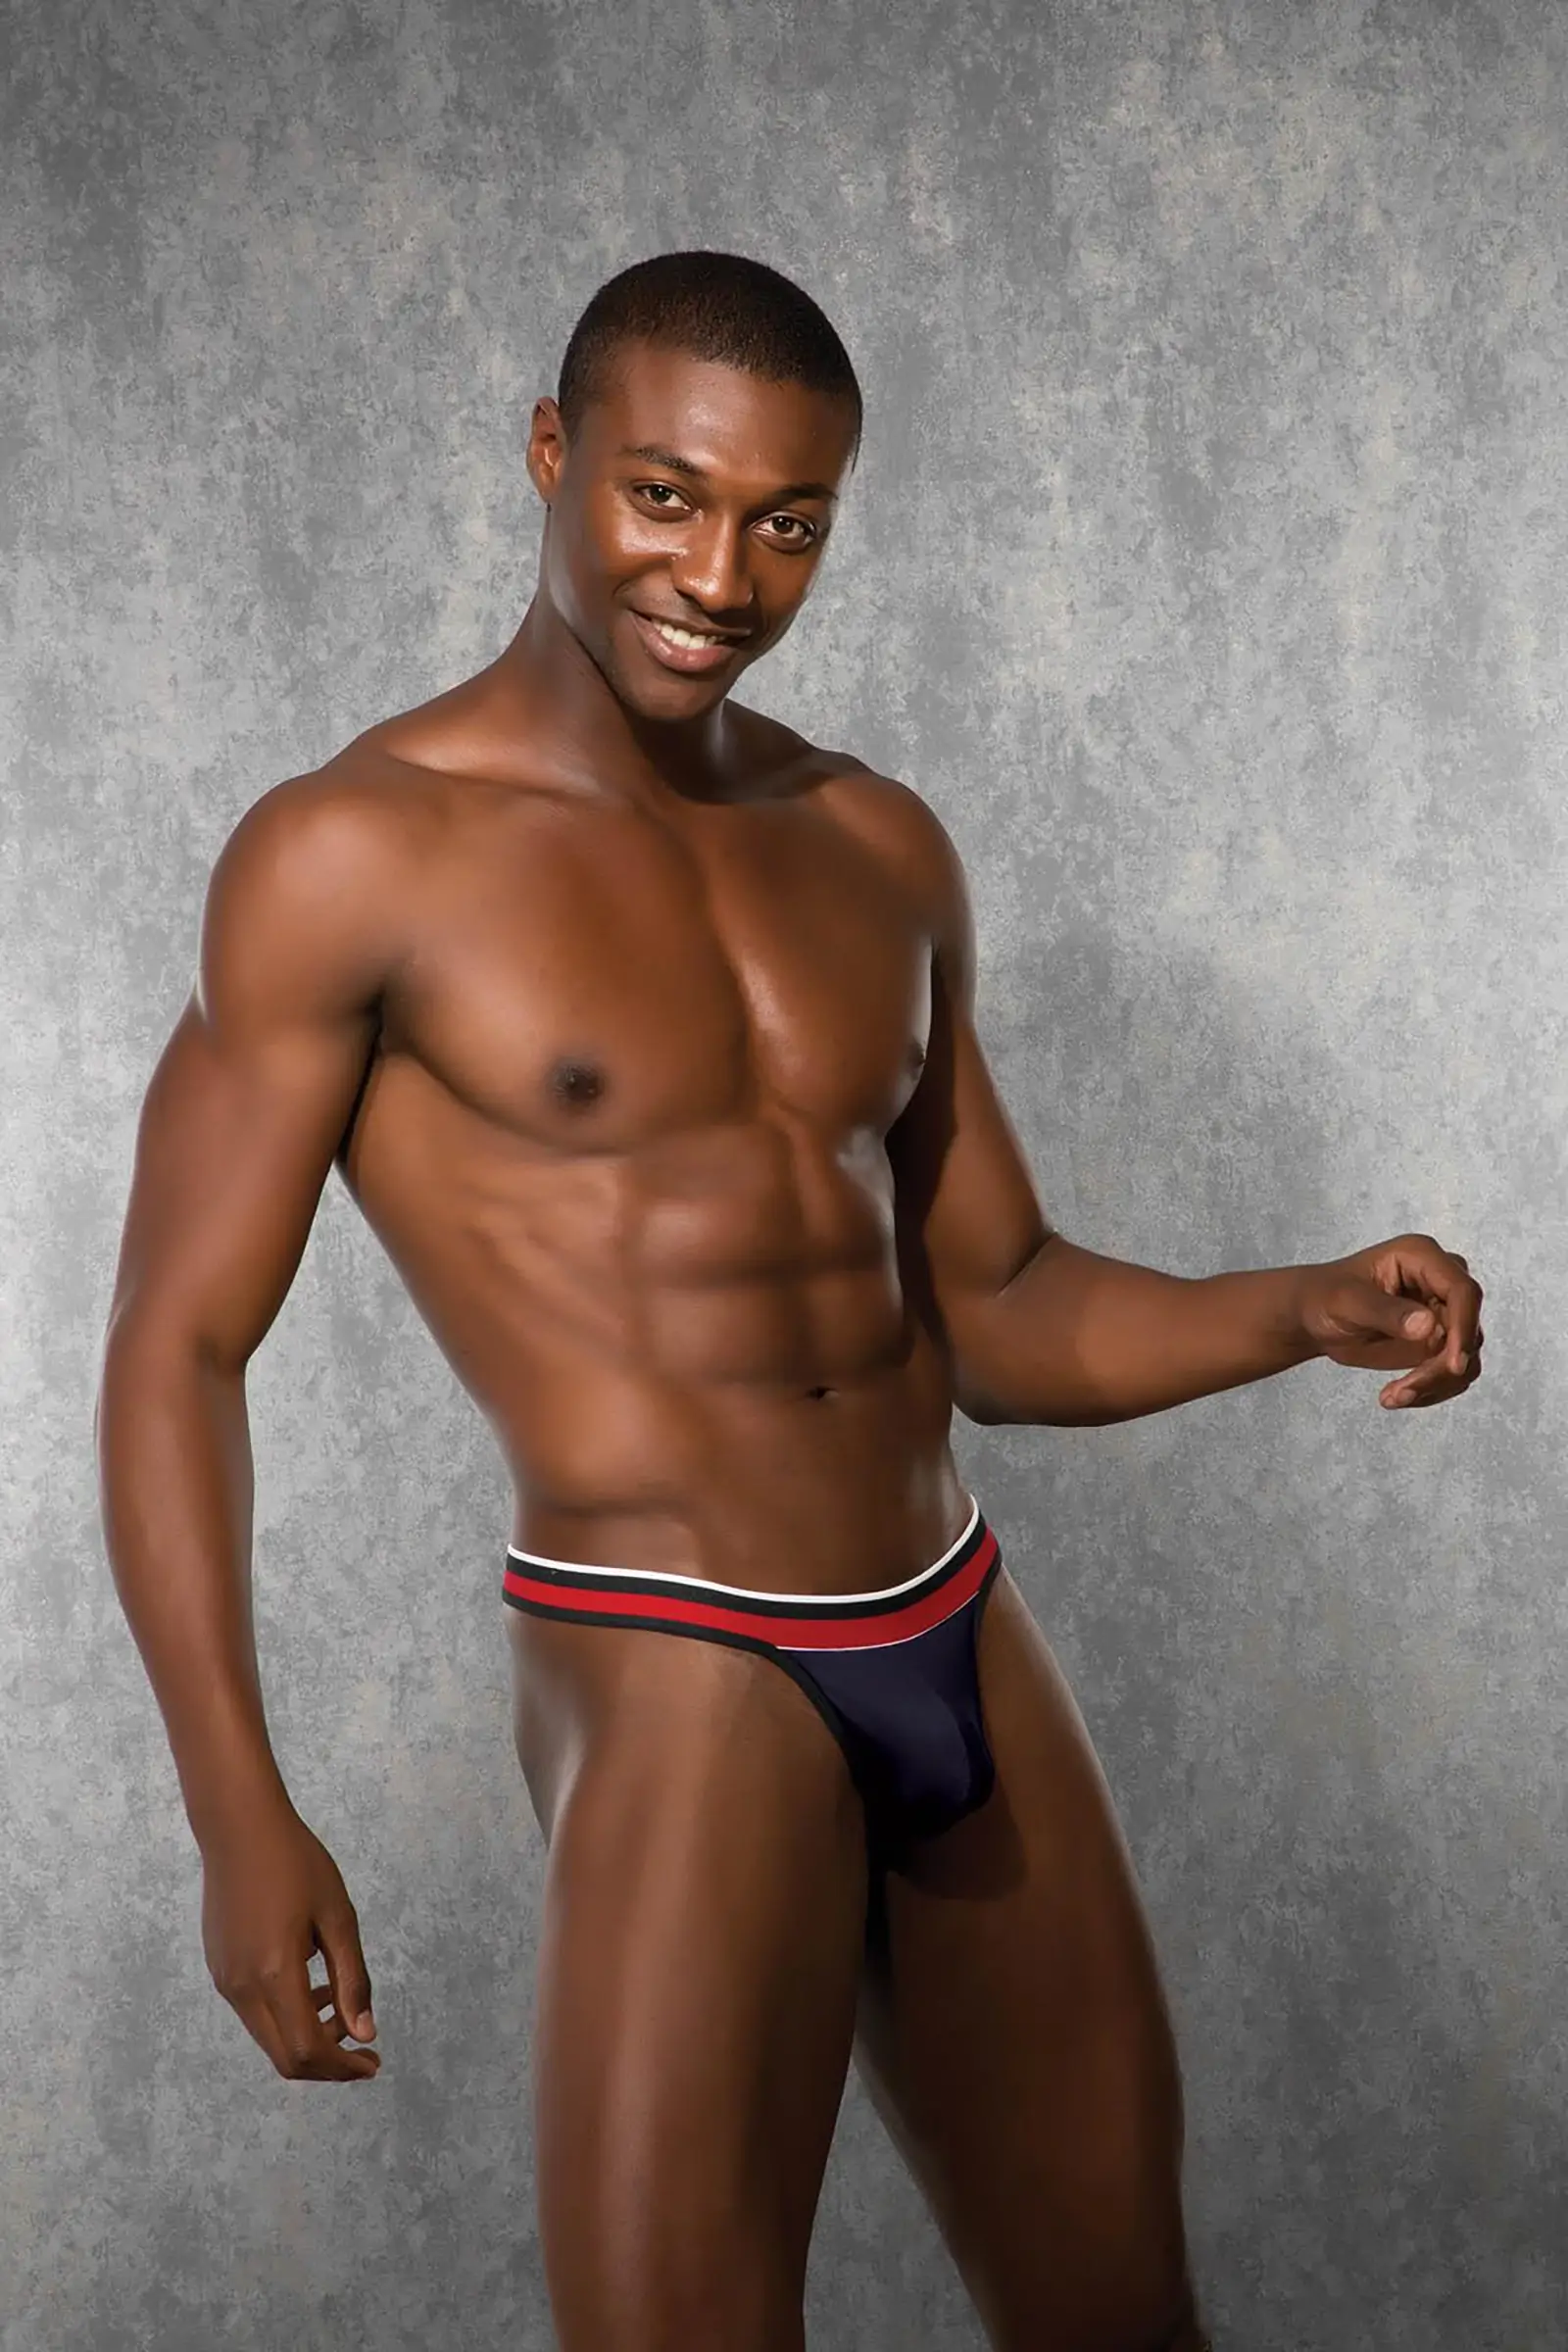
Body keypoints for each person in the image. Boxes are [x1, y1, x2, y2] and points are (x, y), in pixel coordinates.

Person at [98, 249, 1484, 2352]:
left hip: (953, 1620)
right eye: (664, 496)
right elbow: (176, 1347)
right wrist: (234, 1808)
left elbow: (993, 1308)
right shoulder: (350, 857)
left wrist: (1293, 1310)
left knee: (1128, 2322)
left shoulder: (873, 842)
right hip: (675, 1655)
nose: (719, 577)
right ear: (552, 454)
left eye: (786, 522)